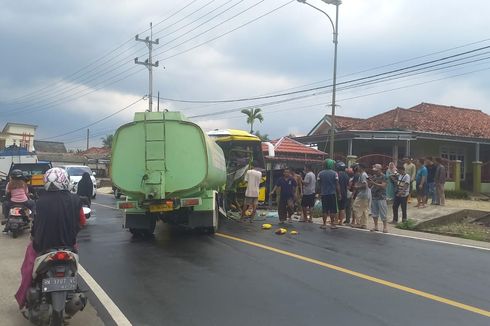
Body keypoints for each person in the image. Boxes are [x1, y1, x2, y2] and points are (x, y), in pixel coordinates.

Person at [15, 167, 86, 309]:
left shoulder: (40, 201)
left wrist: (34, 235)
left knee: (28, 268)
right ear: (65, 180)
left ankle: (22, 298)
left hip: (43, 246)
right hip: (69, 246)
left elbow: (35, 224)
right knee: (74, 269)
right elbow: (82, 222)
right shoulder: (75, 200)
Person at [317, 159, 341, 229]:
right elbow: (337, 185)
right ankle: (332, 224)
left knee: (325, 209)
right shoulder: (334, 173)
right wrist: (339, 194)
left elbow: (319, 185)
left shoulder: (320, 173)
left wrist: (318, 193)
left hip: (324, 194)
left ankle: (324, 224)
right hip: (332, 194)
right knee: (332, 209)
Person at [369, 164, 388, 233]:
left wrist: (373, 183)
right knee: (374, 212)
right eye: (374, 170)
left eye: (376, 170)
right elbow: (370, 185)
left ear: (380, 169)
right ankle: (376, 226)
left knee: (383, 212)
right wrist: (369, 181)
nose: (375, 172)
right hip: (374, 196)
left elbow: (383, 186)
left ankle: (385, 227)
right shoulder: (374, 176)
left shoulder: (384, 176)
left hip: (381, 196)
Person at [352, 163, 369, 229]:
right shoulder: (363, 174)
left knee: (355, 206)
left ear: (361, 168)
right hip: (365, 194)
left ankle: (358, 222)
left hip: (362, 194)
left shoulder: (363, 175)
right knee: (364, 209)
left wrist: (357, 187)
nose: (357, 168)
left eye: (358, 167)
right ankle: (363, 224)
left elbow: (365, 185)